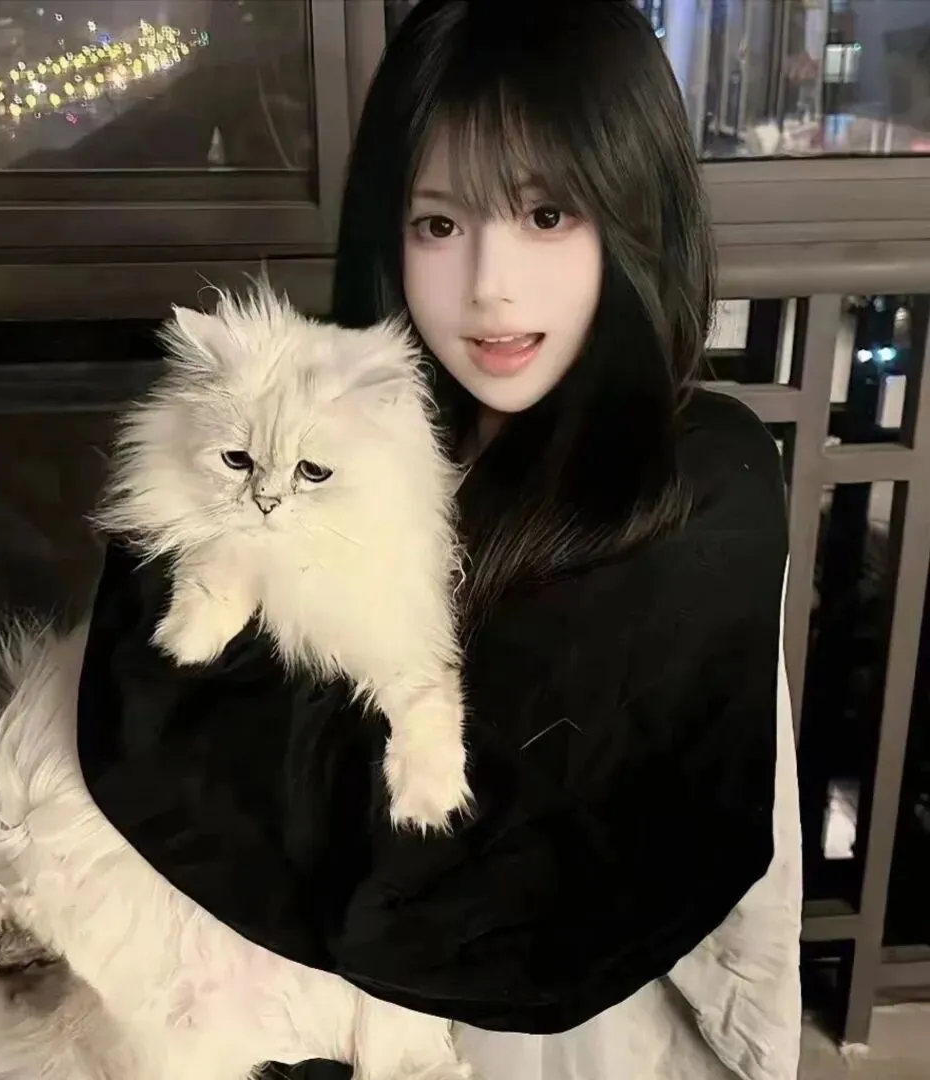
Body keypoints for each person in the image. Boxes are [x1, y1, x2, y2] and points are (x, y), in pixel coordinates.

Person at [76, 2, 801, 1078]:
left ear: (635, 212)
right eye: (438, 225)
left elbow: (506, 894)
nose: (489, 285)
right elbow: (147, 714)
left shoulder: (697, 479)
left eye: (547, 214)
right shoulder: (355, 416)